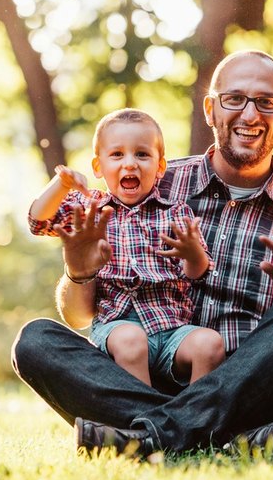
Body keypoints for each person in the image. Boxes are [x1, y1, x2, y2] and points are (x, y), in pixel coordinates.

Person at [11, 50, 273, 458]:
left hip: (251, 396)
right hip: (144, 380)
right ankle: (217, 441)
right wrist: (79, 270)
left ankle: (147, 437)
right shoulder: (152, 182)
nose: (250, 114)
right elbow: (81, 318)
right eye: (234, 98)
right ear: (210, 108)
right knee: (34, 341)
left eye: (266, 102)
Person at [27, 108, 225, 387]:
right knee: (131, 341)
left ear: (160, 166)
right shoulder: (89, 209)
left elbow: (196, 273)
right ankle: (141, 421)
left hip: (172, 329)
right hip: (117, 326)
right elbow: (38, 221)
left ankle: (196, 422)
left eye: (142, 154)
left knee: (210, 343)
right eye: (117, 154)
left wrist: (195, 256)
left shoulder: (175, 212)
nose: (130, 163)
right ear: (98, 167)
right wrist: (61, 184)